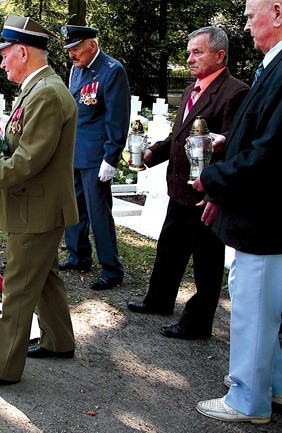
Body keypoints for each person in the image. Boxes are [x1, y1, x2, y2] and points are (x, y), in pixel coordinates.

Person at [0, 14, 79, 387]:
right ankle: (59, 341)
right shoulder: (39, 88)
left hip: (36, 208)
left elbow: (29, 159)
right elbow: (19, 144)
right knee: (44, 277)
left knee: (17, 287)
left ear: (23, 52)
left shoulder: (45, 93)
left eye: (5, 54)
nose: (1, 62)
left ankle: (1, 367)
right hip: (40, 205)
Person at [126, 27, 249, 340]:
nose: (189, 58)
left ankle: (197, 322)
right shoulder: (194, 88)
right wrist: (152, 153)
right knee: (170, 247)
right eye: (189, 51)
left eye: (198, 52)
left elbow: (231, 146)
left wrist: (215, 191)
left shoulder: (234, 92)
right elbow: (179, 136)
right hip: (179, 188)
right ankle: (159, 300)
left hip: (205, 193)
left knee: (207, 260)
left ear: (220, 55)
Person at [194, 0, 282, 424]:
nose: (244, 25)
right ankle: (277, 386)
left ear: (278, 13)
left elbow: (271, 153)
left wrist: (213, 179)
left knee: (254, 310)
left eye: (251, 15)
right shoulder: (272, 65)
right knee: (267, 309)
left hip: (264, 219)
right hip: (262, 215)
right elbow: (263, 130)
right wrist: (230, 140)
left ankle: (248, 400)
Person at [58, 25, 130, 291]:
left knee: (99, 213)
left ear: (91, 44)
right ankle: (78, 256)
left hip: (97, 156)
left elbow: (117, 118)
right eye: (69, 50)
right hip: (75, 152)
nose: (71, 55)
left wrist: (111, 157)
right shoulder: (77, 69)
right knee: (73, 208)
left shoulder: (112, 71)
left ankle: (111, 269)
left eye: (76, 48)